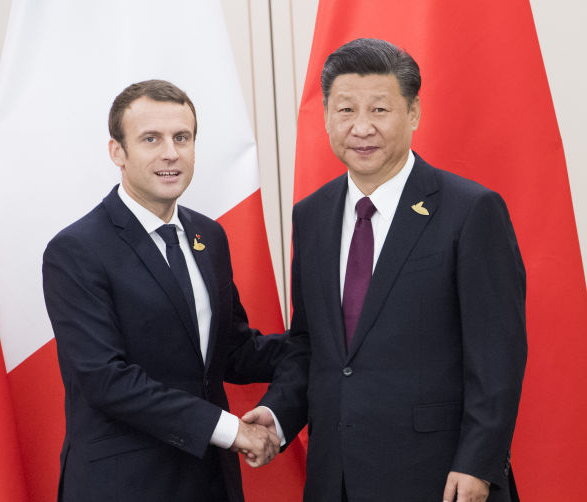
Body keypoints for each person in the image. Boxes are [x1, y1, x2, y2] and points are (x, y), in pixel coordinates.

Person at [243, 38, 527, 502]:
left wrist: (478, 462)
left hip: (438, 476)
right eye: (345, 110)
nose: (361, 127)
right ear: (326, 117)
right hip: (335, 477)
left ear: (413, 113)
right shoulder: (311, 215)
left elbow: (498, 353)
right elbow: (310, 344)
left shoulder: (470, 210)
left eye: (379, 109)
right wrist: (277, 414)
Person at [42, 79, 284, 502]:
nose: (170, 153)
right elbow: (106, 380)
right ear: (117, 151)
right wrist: (231, 430)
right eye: (151, 139)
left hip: (212, 483)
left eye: (182, 138)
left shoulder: (209, 236)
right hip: (125, 486)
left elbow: (233, 351)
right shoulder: (76, 250)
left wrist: (326, 340)